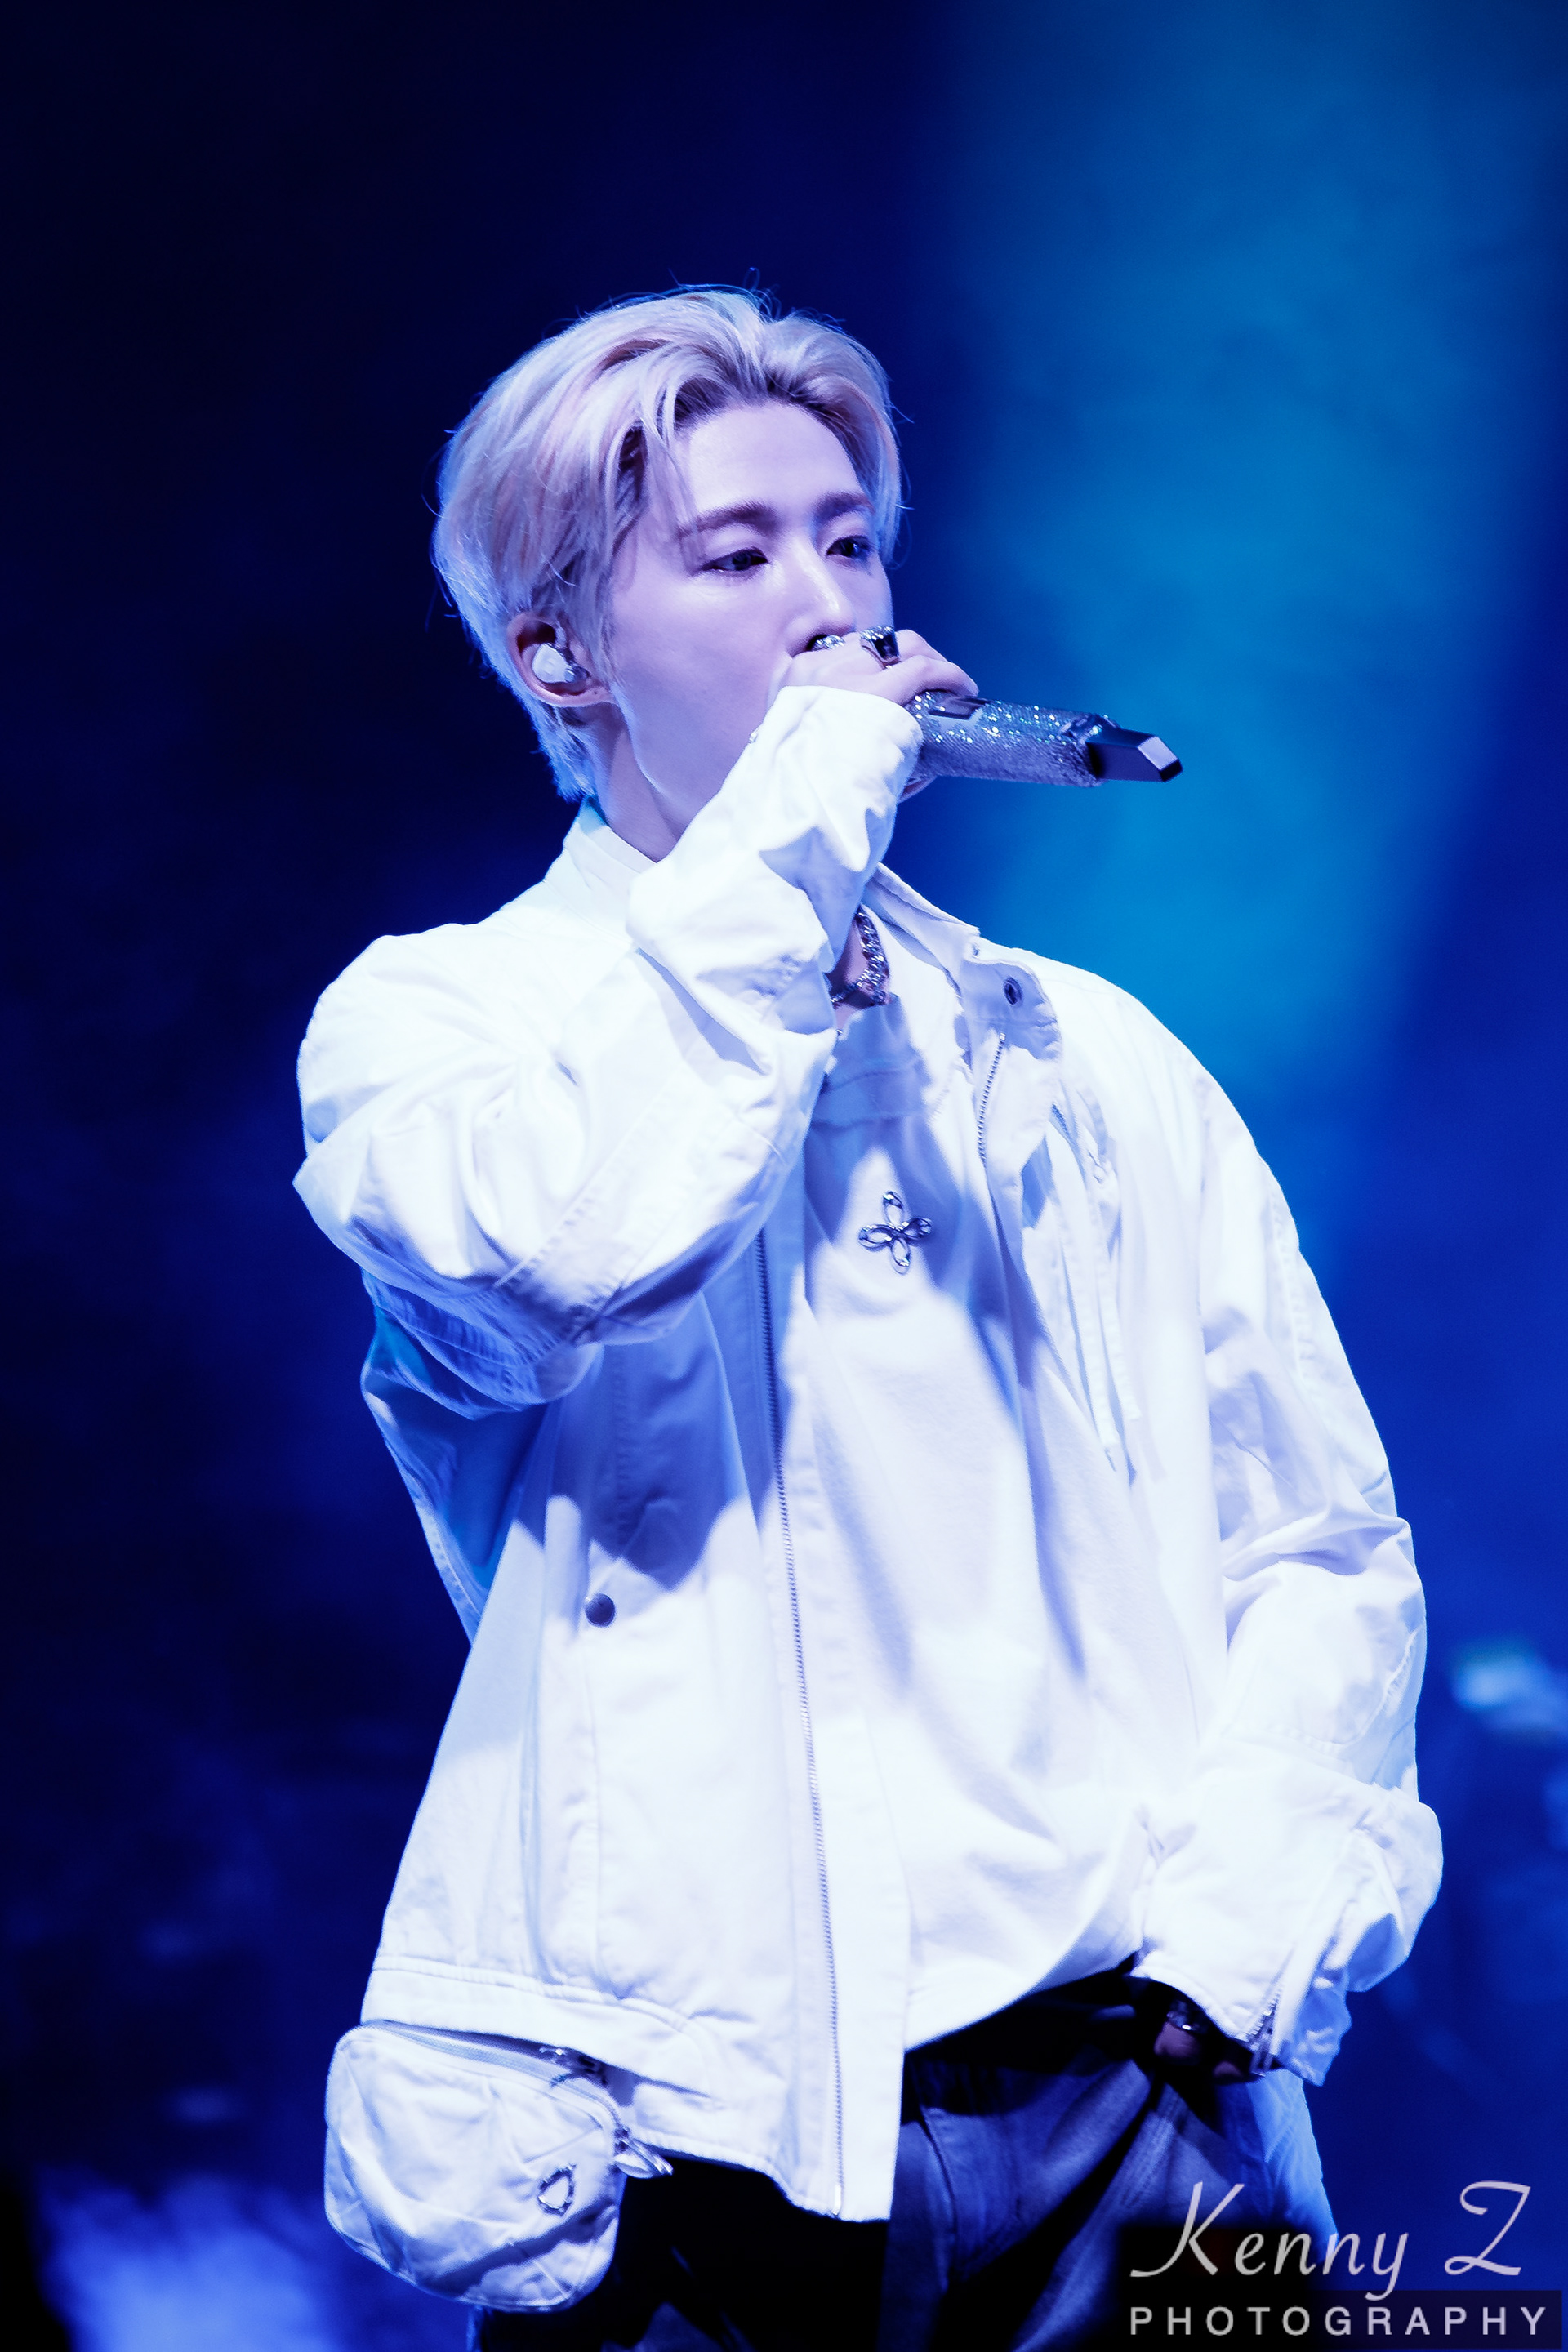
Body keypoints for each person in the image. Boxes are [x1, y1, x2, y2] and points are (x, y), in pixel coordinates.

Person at [294, 288, 1442, 2350]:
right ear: (560, 655)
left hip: (1149, 2101)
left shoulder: (1082, 1054)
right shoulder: (441, 1028)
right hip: (681, 2138)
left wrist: (1228, 1963)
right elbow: (573, 1247)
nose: (830, 609)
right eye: (736, 557)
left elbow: (1316, 1542)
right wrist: (806, 804)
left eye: (849, 542)